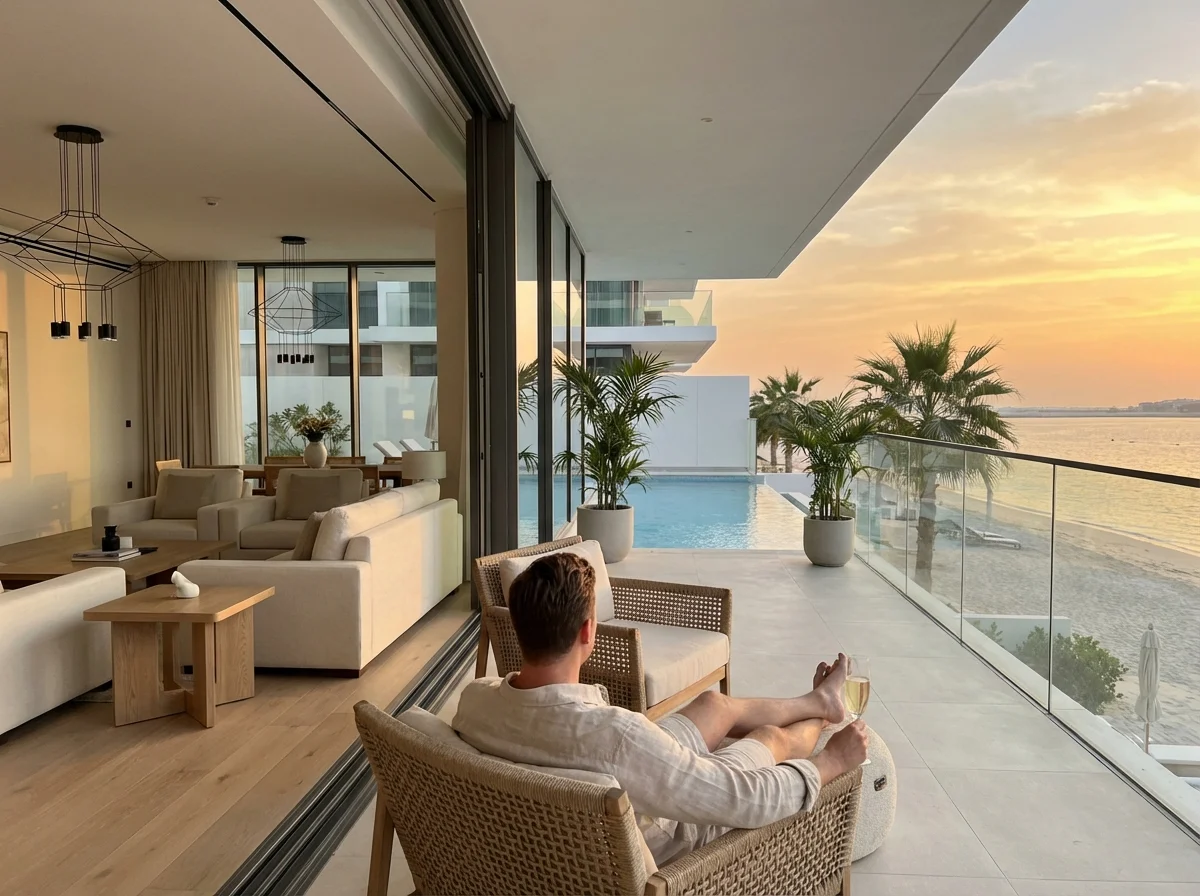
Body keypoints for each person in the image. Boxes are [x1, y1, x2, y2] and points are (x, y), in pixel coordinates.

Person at [453, 552, 868, 864]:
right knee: (769, 738)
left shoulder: (474, 701)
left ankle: (816, 699)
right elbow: (745, 798)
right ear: (588, 630)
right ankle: (822, 715)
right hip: (659, 828)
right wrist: (832, 760)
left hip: (597, 757)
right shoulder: (617, 735)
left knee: (714, 703)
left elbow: (608, 745)